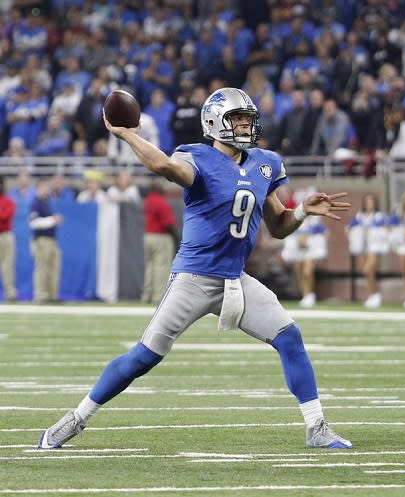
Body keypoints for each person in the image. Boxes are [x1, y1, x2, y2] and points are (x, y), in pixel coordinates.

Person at [38, 87, 352, 450]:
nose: (245, 126)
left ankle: (316, 427)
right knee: (144, 356)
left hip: (236, 279)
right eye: (237, 119)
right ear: (215, 121)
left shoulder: (266, 162)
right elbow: (163, 166)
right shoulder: (196, 157)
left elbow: (278, 226)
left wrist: (300, 212)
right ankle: (75, 419)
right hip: (194, 277)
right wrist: (127, 134)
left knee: (289, 337)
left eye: (248, 120)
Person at [346, 193, 389, 309]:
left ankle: (375, 294)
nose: (369, 203)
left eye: (371, 201)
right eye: (367, 201)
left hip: (374, 246)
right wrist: (354, 236)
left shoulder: (379, 216)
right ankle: (372, 295)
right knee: (367, 272)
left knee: (368, 269)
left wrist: (374, 233)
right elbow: (348, 228)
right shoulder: (360, 216)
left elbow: (387, 229)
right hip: (362, 246)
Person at [140, 179, 177, 304]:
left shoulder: (148, 201)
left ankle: (147, 296)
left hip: (148, 236)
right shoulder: (161, 202)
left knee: (150, 267)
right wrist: (176, 237)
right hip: (161, 236)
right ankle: (157, 296)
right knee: (161, 267)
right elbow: (168, 223)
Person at [29, 179, 63, 303]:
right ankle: (40, 295)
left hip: (51, 239)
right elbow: (34, 223)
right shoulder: (36, 203)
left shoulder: (46, 202)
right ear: (37, 189)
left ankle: (52, 294)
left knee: (53, 267)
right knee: (42, 267)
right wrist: (52, 220)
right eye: (43, 188)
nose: (46, 190)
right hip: (41, 240)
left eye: (46, 188)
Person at [0, 176, 17, 302]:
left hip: (5, 235)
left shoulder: (8, 201)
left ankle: (10, 293)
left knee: (8, 266)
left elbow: (6, 216)